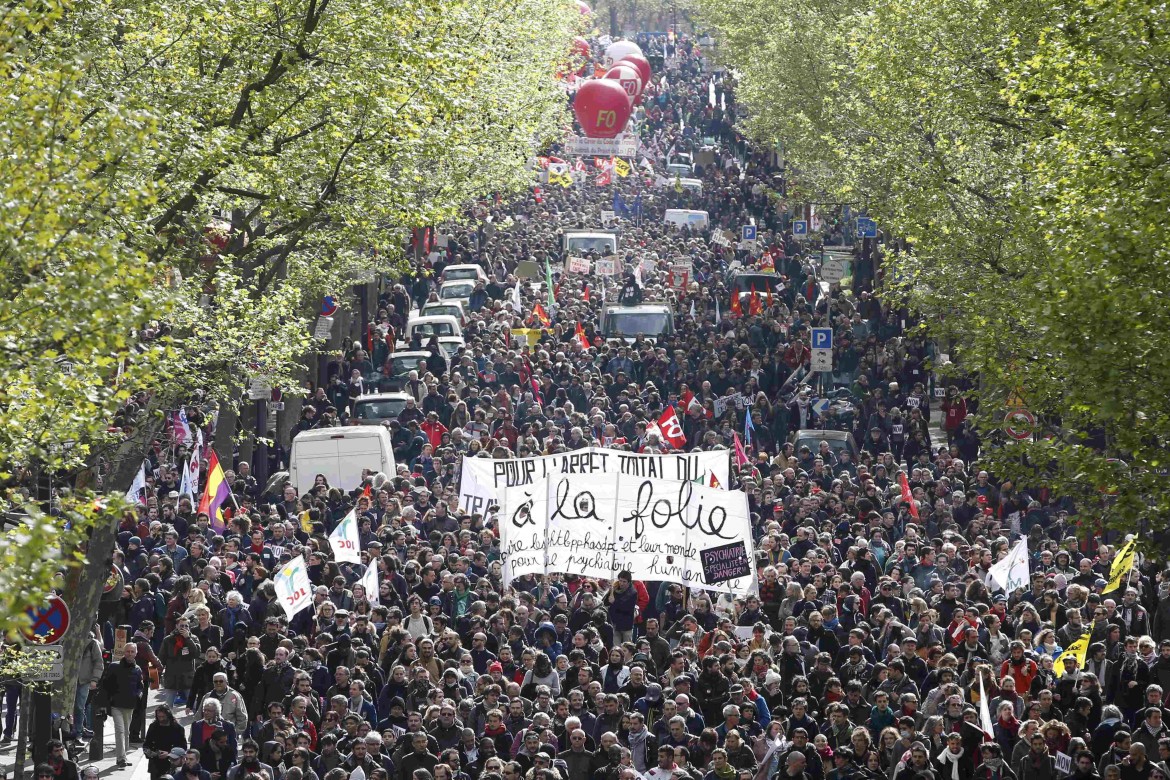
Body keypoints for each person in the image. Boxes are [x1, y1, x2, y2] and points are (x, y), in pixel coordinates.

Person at [100, 640, 145, 767]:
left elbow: (140, 686)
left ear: (136, 653)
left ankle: (123, 756)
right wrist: (105, 703)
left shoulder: (137, 669)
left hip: (130, 705)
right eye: (128, 651)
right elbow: (105, 685)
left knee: (126, 732)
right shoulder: (114, 666)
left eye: (132, 651)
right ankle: (121, 759)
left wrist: (138, 694)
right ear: (124, 652)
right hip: (116, 704)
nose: (130, 654)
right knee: (120, 731)